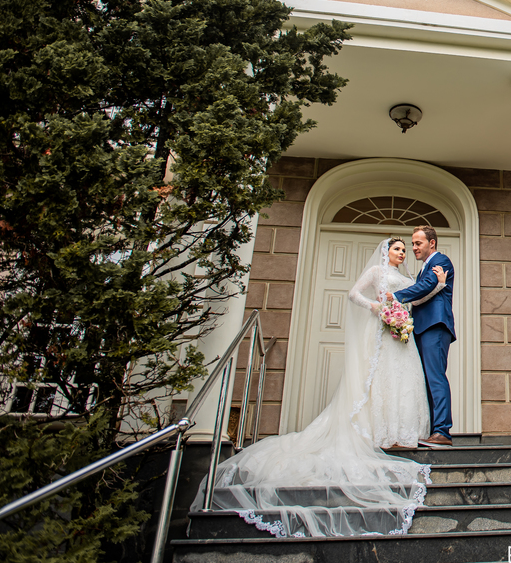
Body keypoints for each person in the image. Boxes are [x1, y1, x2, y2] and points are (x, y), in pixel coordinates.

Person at [193, 237, 444, 538]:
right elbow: (353, 294)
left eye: (405, 250)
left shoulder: (406, 278)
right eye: (397, 249)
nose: (402, 253)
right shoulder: (377, 273)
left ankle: (400, 432)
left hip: (399, 335)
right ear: (385, 251)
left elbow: (413, 299)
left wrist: (438, 286)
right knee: (376, 380)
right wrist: (376, 307)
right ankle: (377, 432)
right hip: (378, 332)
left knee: (402, 381)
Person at [394, 225, 456, 447]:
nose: (413, 248)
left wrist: (395, 295)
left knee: (436, 377)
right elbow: (424, 292)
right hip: (421, 328)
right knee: (426, 381)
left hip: (435, 326)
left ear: (432, 243)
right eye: (412, 244)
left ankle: (442, 431)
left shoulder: (441, 261)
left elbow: (427, 286)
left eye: (417, 243)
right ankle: (432, 430)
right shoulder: (425, 268)